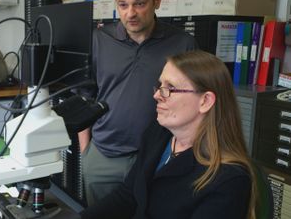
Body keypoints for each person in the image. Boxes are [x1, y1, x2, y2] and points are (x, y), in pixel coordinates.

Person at [80, 50, 257, 219]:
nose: (157, 95)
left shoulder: (228, 180)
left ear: (205, 101)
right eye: (159, 85)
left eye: (170, 88)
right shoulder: (158, 134)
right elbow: (128, 195)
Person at [79, 0, 197, 205]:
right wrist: (86, 152)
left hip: (157, 156)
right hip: (103, 155)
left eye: (139, 3)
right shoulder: (98, 40)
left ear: (157, 1)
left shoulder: (183, 43)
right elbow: (85, 97)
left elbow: (193, 104)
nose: (130, 13)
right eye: (123, 5)